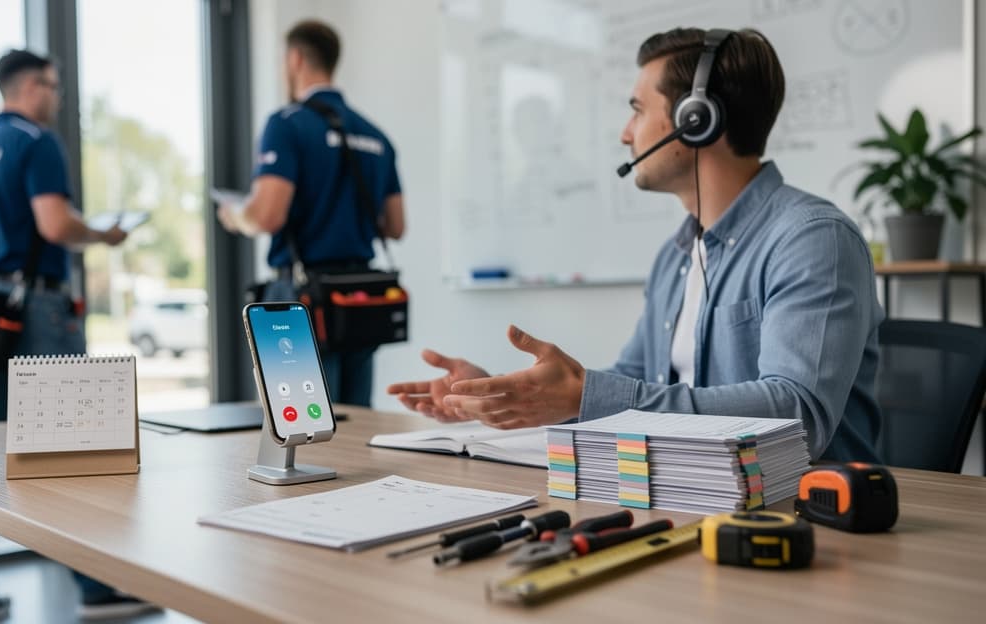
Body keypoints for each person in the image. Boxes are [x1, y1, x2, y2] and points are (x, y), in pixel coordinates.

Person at [387, 28, 883, 462]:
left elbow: (798, 414)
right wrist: (505, 393)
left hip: (811, 518)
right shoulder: (676, 256)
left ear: (697, 119)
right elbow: (629, 381)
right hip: (695, 502)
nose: (626, 134)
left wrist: (583, 397)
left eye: (638, 110)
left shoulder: (811, 239)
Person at [0, 49, 158, 622]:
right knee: (73, 441)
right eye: (54, 87)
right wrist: (105, 235)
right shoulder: (36, 143)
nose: (58, 97)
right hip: (36, 304)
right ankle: (96, 587)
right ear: (31, 87)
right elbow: (56, 225)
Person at [218, 19, 405, 407]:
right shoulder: (376, 136)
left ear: (296, 58)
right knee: (355, 420)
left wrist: (236, 215)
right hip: (359, 296)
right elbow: (395, 225)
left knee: (301, 422)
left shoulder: (286, 125)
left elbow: (267, 216)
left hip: (300, 298)